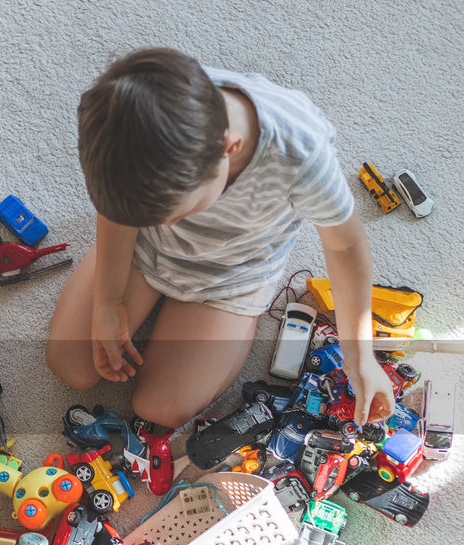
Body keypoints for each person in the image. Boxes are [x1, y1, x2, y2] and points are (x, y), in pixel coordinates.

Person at [47, 47, 395, 435]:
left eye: (176, 214)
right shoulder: (140, 115)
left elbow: (345, 247)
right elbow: (116, 212)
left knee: (159, 408)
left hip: (231, 276)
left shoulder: (300, 151)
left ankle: (241, 320)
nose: (171, 224)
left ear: (229, 150)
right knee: (70, 365)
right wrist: (108, 302)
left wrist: (360, 357)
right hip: (143, 254)